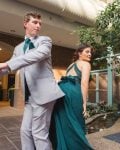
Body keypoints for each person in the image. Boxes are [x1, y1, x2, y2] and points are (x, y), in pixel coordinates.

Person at [0, 12, 64, 150]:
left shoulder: (45, 41)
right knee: (25, 131)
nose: (38, 26)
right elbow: (10, 66)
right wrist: (4, 67)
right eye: (35, 22)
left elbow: (34, 56)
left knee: (39, 133)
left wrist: (5, 64)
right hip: (29, 97)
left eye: (40, 23)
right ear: (25, 24)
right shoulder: (18, 48)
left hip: (45, 95)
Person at [50, 44, 94, 150]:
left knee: (64, 121)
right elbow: (84, 83)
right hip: (73, 93)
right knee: (77, 121)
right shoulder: (86, 64)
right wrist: (84, 103)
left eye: (90, 52)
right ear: (79, 53)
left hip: (61, 91)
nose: (90, 54)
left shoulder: (71, 65)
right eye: (87, 52)